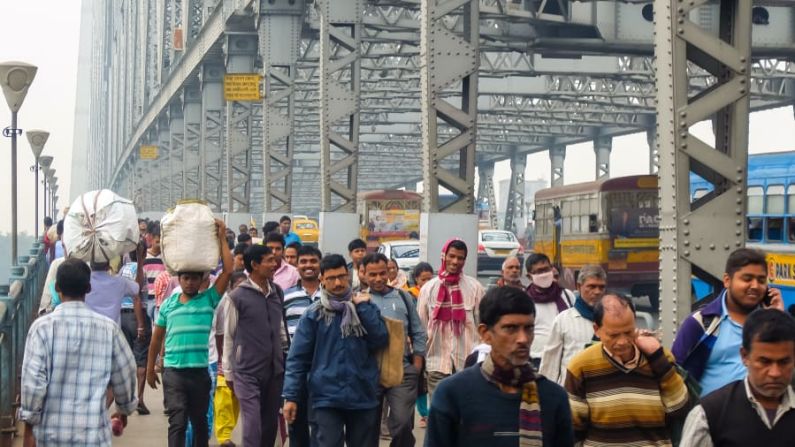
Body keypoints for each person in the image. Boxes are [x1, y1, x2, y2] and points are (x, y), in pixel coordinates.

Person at [425, 286, 574, 446]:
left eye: (529, 328)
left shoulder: (553, 397)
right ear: (485, 333)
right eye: (511, 328)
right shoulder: (453, 393)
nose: (523, 339)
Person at [20, 258, 138, 446]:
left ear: (57, 287)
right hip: (93, 438)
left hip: (50, 437)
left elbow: (32, 383)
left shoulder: (41, 328)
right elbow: (126, 372)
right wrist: (123, 408)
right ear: (88, 288)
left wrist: (29, 429)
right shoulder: (109, 329)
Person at [282, 254, 389, 447]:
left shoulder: (365, 305)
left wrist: (362, 308)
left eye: (342, 276)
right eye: (331, 278)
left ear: (349, 275)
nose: (338, 283)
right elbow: (297, 359)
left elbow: (380, 338)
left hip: (362, 392)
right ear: (321, 278)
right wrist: (291, 397)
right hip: (325, 396)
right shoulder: (314, 314)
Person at [146, 218, 233, 447]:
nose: (190, 283)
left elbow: (228, 271)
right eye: (186, 278)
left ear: (202, 279)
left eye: (195, 278)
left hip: (199, 372)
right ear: (179, 279)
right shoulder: (169, 305)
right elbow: (156, 339)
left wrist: (222, 236)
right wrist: (150, 369)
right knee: (178, 420)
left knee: (200, 421)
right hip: (173, 372)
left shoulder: (209, 300)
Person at [565, 293, 689, 446]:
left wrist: (658, 358)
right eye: (614, 335)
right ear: (597, 329)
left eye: (629, 332)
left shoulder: (659, 358)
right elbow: (573, 430)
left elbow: (679, 408)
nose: (623, 342)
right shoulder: (580, 367)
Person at [673, 248, 784, 397]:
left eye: (761, 280)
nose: (755, 286)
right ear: (727, 280)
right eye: (747, 279)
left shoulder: (772, 323)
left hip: (760, 417)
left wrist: (779, 319)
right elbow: (673, 374)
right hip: (711, 417)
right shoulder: (701, 323)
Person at [680, 308, 795, 446]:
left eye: (784, 362)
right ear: (744, 356)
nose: (775, 373)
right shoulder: (709, 415)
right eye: (765, 362)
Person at [223, 245, 287, 447]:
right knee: (252, 424)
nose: (274, 264)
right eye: (269, 260)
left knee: (269, 425)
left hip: (274, 370)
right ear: (255, 265)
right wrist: (228, 372)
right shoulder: (237, 297)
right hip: (246, 371)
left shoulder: (276, 292)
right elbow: (229, 336)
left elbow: (280, 328)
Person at [363, 253, 427, 447]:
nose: (378, 278)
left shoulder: (403, 296)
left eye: (382, 273)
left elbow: (418, 331)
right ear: (364, 274)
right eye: (372, 274)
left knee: (402, 424)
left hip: (402, 370)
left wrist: (416, 365)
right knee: (367, 427)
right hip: (369, 372)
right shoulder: (358, 300)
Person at [417, 239, 485, 399]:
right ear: (444, 256)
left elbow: (482, 326)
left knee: (467, 414)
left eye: (460, 258)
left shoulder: (475, 288)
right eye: (452, 256)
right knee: (440, 415)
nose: (455, 262)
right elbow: (421, 327)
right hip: (437, 363)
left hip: (468, 365)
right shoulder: (428, 289)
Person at [283, 245, 323, 446]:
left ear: (320, 264)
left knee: (322, 424)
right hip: (297, 369)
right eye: (304, 262)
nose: (309, 266)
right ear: (296, 265)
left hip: (324, 368)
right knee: (296, 424)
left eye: (313, 261)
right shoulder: (286, 296)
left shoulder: (330, 296)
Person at [539, 265, 607, 385]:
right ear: (579, 286)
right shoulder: (563, 320)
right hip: (571, 392)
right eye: (591, 286)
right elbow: (550, 364)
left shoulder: (611, 320)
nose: (597, 292)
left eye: (601, 287)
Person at [118, 242, 154, 416]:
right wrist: (141, 324)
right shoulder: (140, 270)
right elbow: (137, 294)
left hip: (122, 316)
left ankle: (125, 397)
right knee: (141, 358)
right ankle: (139, 398)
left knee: (126, 357)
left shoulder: (122, 271)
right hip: (137, 316)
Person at [213, 271, 247, 447]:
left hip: (244, 360)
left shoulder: (250, 302)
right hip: (223, 358)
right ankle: (224, 437)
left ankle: (228, 432)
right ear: (230, 287)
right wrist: (221, 359)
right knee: (224, 398)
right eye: (238, 286)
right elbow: (220, 334)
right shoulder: (223, 303)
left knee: (236, 399)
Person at [525, 253, 575, 368]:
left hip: (565, 358)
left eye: (546, 269)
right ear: (529, 276)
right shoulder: (523, 300)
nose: (544, 274)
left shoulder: (567, 295)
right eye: (538, 271)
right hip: (536, 360)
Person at [407, 262, 434, 428]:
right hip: (416, 345)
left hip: (434, 343)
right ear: (416, 279)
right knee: (420, 383)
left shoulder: (438, 293)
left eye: (430, 278)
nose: (427, 282)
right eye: (424, 279)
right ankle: (424, 414)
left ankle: (434, 412)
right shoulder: (410, 295)